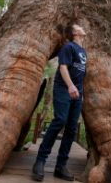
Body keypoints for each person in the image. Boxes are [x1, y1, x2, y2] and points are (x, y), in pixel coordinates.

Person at [32, 24, 87, 182]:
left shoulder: (83, 51)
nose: (82, 28)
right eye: (79, 27)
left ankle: (60, 166)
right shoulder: (68, 47)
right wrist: (70, 86)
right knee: (60, 120)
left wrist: (80, 92)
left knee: (71, 128)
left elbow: (81, 74)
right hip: (63, 89)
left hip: (77, 93)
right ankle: (40, 160)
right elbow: (63, 68)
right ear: (75, 33)